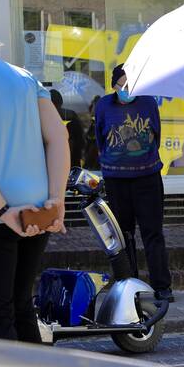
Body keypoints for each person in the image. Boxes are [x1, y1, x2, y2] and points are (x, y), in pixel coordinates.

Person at [0, 2, 68, 341]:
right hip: (36, 210)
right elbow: (58, 137)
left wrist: (1, 210)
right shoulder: (23, 76)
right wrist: (57, 200)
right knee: (21, 308)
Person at [94, 65, 173, 303]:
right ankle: (128, 285)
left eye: (132, 85)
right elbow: (100, 137)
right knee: (123, 234)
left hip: (147, 177)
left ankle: (162, 287)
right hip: (116, 180)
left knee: (153, 233)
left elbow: (155, 135)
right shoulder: (103, 105)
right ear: (114, 86)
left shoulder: (148, 102)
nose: (128, 90)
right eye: (123, 85)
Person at [49, 89, 84, 168]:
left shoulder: (69, 116)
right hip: (70, 159)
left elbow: (79, 139)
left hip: (68, 160)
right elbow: (80, 139)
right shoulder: (70, 114)